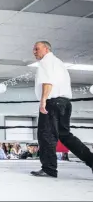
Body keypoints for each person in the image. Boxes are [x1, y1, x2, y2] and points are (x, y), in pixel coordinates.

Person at [31, 41, 93, 178]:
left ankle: (49, 169)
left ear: (46, 49)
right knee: (65, 136)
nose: (34, 51)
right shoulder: (59, 62)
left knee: (46, 135)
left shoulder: (46, 62)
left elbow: (48, 82)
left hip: (52, 102)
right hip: (65, 103)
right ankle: (91, 161)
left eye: (37, 49)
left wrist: (43, 101)